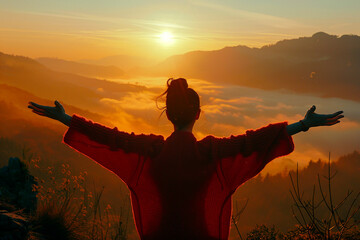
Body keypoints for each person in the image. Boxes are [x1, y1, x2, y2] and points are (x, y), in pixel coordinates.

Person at [28, 78, 343, 240]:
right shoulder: (210, 153)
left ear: (168, 115)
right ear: (198, 114)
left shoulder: (150, 152)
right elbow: (254, 140)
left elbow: (109, 137)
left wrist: (66, 118)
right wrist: (303, 124)